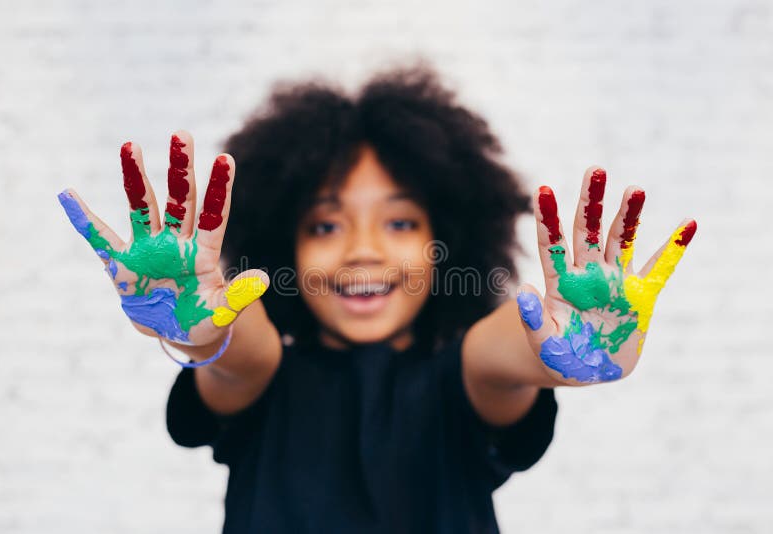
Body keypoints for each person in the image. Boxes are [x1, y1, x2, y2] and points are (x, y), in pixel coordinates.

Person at [57, 63, 696, 534]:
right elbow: (237, 349)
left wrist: (556, 352)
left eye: (399, 223)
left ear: (447, 241)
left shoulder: (464, 373)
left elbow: (502, 351)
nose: (363, 250)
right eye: (325, 225)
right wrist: (198, 327)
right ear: (284, 247)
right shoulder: (267, 375)